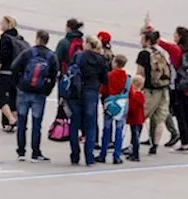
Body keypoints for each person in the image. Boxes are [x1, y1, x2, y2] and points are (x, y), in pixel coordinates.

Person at [12, 29, 58, 162]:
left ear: (37, 38)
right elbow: (54, 75)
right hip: (39, 93)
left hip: (24, 90)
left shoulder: (28, 53)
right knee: (36, 123)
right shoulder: (51, 56)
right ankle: (35, 152)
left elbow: (15, 67)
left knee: (22, 122)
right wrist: (46, 90)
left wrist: (18, 84)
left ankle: (21, 151)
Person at [68, 35, 110, 166]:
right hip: (92, 92)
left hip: (76, 92)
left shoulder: (78, 56)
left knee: (74, 124)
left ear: (88, 44)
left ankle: (75, 155)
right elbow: (105, 79)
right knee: (91, 125)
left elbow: (70, 72)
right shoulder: (101, 59)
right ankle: (89, 157)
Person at [136, 28, 172, 156]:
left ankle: (133, 144)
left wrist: (136, 88)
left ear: (147, 41)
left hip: (149, 90)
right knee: (159, 119)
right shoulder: (161, 53)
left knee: (140, 117)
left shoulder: (143, 54)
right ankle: (154, 146)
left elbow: (140, 73)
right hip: (162, 88)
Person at [0, 16, 26, 133]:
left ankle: (11, 119)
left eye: (2, 23)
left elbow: (2, 57)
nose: (1, 24)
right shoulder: (19, 38)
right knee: (12, 98)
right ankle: (13, 120)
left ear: (7, 24)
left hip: (5, 72)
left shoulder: (5, 38)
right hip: (16, 73)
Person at [98, 53, 130, 164]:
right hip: (121, 105)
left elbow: (103, 90)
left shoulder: (109, 76)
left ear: (115, 63)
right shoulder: (126, 78)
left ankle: (103, 154)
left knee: (107, 129)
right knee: (119, 130)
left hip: (109, 103)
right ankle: (116, 155)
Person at [172, 26, 188, 153]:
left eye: (175, 34)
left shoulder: (178, 50)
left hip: (179, 86)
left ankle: (184, 143)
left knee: (180, 115)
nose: (174, 36)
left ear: (180, 36)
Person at [126, 75, 147, 161]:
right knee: (136, 137)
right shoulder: (141, 95)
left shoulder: (134, 96)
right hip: (140, 119)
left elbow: (132, 108)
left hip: (134, 119)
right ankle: (134, 154)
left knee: (135, 137)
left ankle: (135, 154)